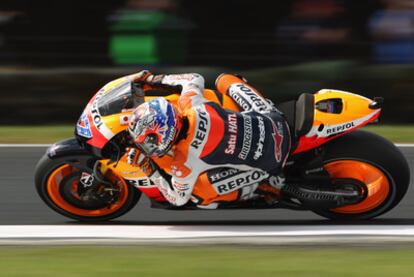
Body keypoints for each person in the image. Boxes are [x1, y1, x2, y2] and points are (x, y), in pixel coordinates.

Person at [127, 70, 291, 208]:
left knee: (199, 197)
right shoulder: (191, 103)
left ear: (164, 131)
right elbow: (194, 78)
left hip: (271, 161)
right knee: (224, 80)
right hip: (274, 119)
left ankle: (263, 186)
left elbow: (178, 199)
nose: (150, 146)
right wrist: (153, 80)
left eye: (150, 140)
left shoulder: (183, 162)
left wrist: (149, 169)